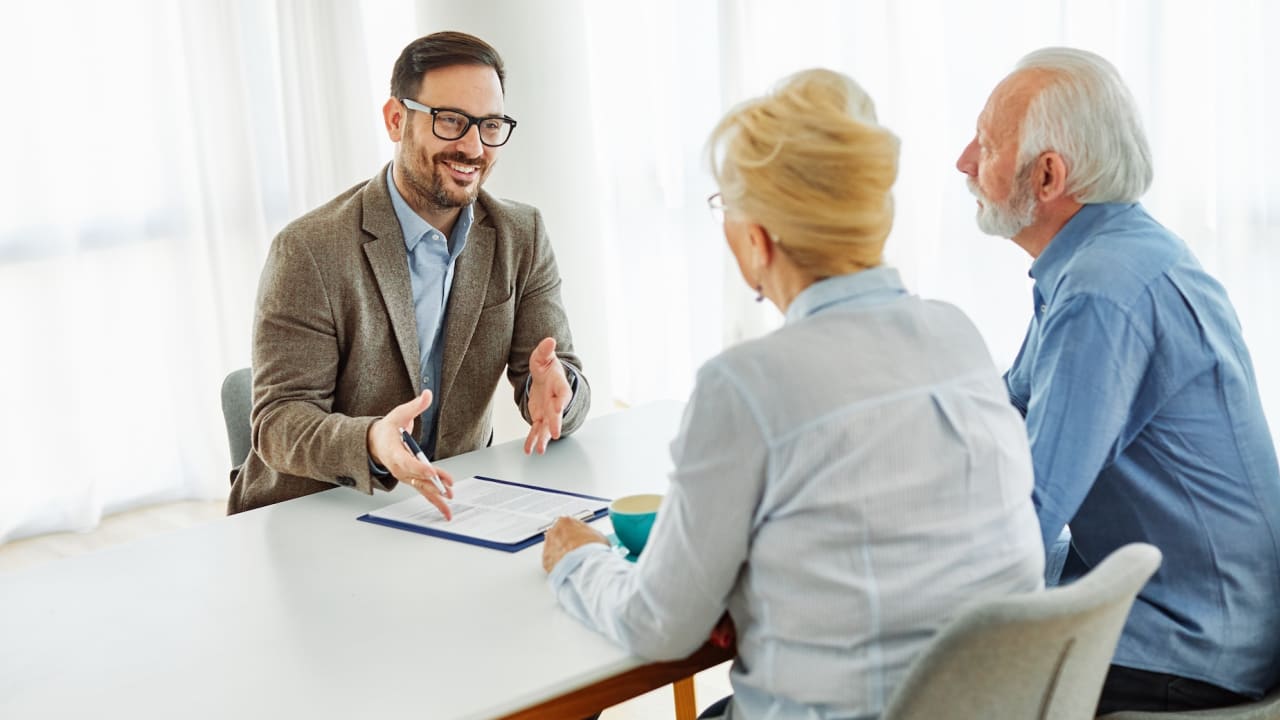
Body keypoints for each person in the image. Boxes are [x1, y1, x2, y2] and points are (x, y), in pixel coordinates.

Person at [541, 68, 1045, 720]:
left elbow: (658, 626)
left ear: (757, 239)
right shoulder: (957, 335)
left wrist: (580, 561)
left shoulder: (745, 384)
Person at [957, 47, 1280, 713]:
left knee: (912, 669)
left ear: (1048, 175)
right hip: (1204, 612)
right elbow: (1004, 415)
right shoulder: (1111, 253)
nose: (963, 162)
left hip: (1191, 643)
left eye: (985, 145)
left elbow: (1029, 514)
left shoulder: (1101, 290)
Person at [228, 32, 590, 516]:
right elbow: (279, 422)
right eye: (451, 120)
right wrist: (372, 441)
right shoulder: (309, 249)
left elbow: (555, 373)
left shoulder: (521, 234)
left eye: (490, 125)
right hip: (317, 510)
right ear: (396, 119)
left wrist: (559, 394)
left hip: (450, 505)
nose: (473, 147)